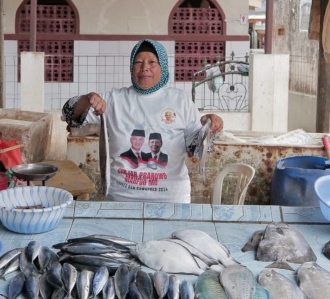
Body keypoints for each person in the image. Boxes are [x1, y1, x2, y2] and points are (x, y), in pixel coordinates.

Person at [61, 38, 223, 203]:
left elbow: (196, 149)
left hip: (172, 201)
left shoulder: (180, 100)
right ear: (132, 68)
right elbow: (69, 114)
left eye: (152, 62)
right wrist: (88, 99)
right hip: (121, 200)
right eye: (138, 62)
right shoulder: (114, 100)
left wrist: (209, 128)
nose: (145, 67)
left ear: (163, 67)